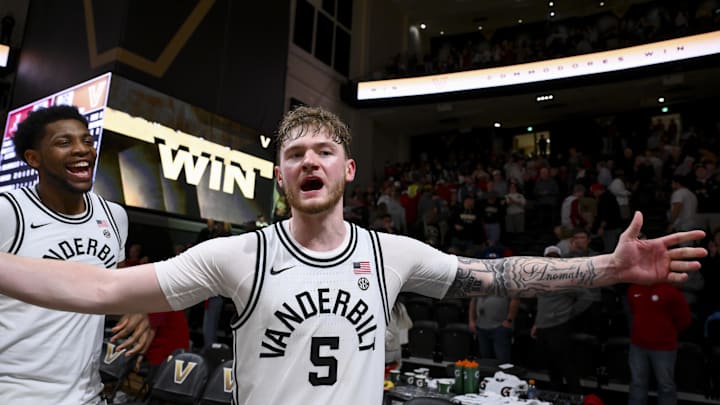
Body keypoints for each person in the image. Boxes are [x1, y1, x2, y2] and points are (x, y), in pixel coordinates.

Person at [0, 106, 707, 405]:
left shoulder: (391, 251)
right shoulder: (238, 254)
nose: (308, 160)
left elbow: (494, 273)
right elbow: (96, 290)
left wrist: (608, 267)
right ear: (281, 177)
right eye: (294, 154)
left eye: (323, 151)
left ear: (347, 171)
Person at [0, 105, 151, 404]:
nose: (82, 149)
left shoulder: (113, 216)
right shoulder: (9, 211)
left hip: (86, 394)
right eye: (64, 142)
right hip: (15, 392)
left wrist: (135, 309)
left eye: (87, 140)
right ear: (34, 159)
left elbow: (114, 288)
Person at [532, 245, 594, 394]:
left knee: (565, 365)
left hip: (559, 327)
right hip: (544, 327)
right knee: (551, 366)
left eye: (554, 257)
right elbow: (542, 304)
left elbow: (587, 297)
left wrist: (569, 313)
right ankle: (556, 396)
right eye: (549, 257)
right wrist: (537, 324)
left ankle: (576, 396)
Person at [627, 282, 690, 405]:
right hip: (638, 345)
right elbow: (633, 311)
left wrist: (665, 332)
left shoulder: (671, 292)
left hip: (664, 347)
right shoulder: (633, 289)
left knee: (665, 385)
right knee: (637, 384)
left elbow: (684, 319)